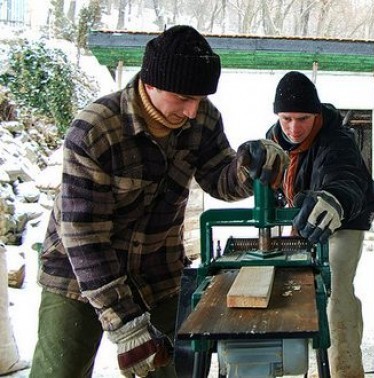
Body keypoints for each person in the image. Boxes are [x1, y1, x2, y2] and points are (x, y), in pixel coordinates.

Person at [30, 25, 287, 377]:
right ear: (150, 83)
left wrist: (249, 166)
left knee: (171, 372)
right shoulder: (95, 129)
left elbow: (219, 179)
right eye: (183, 99)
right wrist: (126, 324)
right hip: (77, 276)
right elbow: (85, 238)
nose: (193, 112)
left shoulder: (202, 117)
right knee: (58, 372)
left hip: (157, 272)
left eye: (199, 99)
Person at [266, 71, 374, 377]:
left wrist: (333, 198)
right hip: (306, 215)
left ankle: (346, 370)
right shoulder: (274, 138)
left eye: (302, 118)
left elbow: (343, 174)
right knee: (299, 291)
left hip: (343, 215)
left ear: (316, 114)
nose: (293, 128)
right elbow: (269, 179)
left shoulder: (336, 138)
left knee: (336, 292)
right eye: (286, 118)